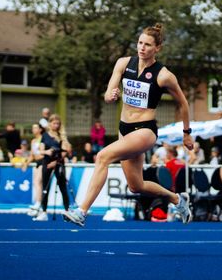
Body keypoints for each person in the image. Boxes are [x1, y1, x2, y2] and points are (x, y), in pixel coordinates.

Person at [63, 24, 193, 227]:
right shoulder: (123, 63)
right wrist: (110, 95)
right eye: (140, 43)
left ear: (157, 48)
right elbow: (108, 93)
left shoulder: (164, 75)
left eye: (148, 45)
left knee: (102, 156)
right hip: (124, 129)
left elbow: (183, 103)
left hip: (145, 129)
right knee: (136, 186)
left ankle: (81, 211)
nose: (142, 48)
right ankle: (177, 199)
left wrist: (186, 133)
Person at [34, 114, 70, 222]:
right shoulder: (45, 135)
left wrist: (56, 162)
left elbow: (65, 151)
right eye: (54, 123)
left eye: (58, 123)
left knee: (63, 187)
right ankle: (44, 212)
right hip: (46, 163)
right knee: (45, 188)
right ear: (50, 124)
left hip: (58, 163)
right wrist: (47, 152)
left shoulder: (61, 135)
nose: (56, 125)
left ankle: (67, 212)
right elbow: (40, 150)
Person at [28, 123, 44, 216]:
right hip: (37, 162)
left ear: (40, 129)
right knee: (36, 183)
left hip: (43, 161)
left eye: (35, 127)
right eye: (33, 127)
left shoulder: (43, 138)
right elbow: (32, 155)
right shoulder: (33, 141)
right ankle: (38, 205)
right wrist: (26, 163)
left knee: (38, 182)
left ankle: (38, 203)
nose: (33, 129)